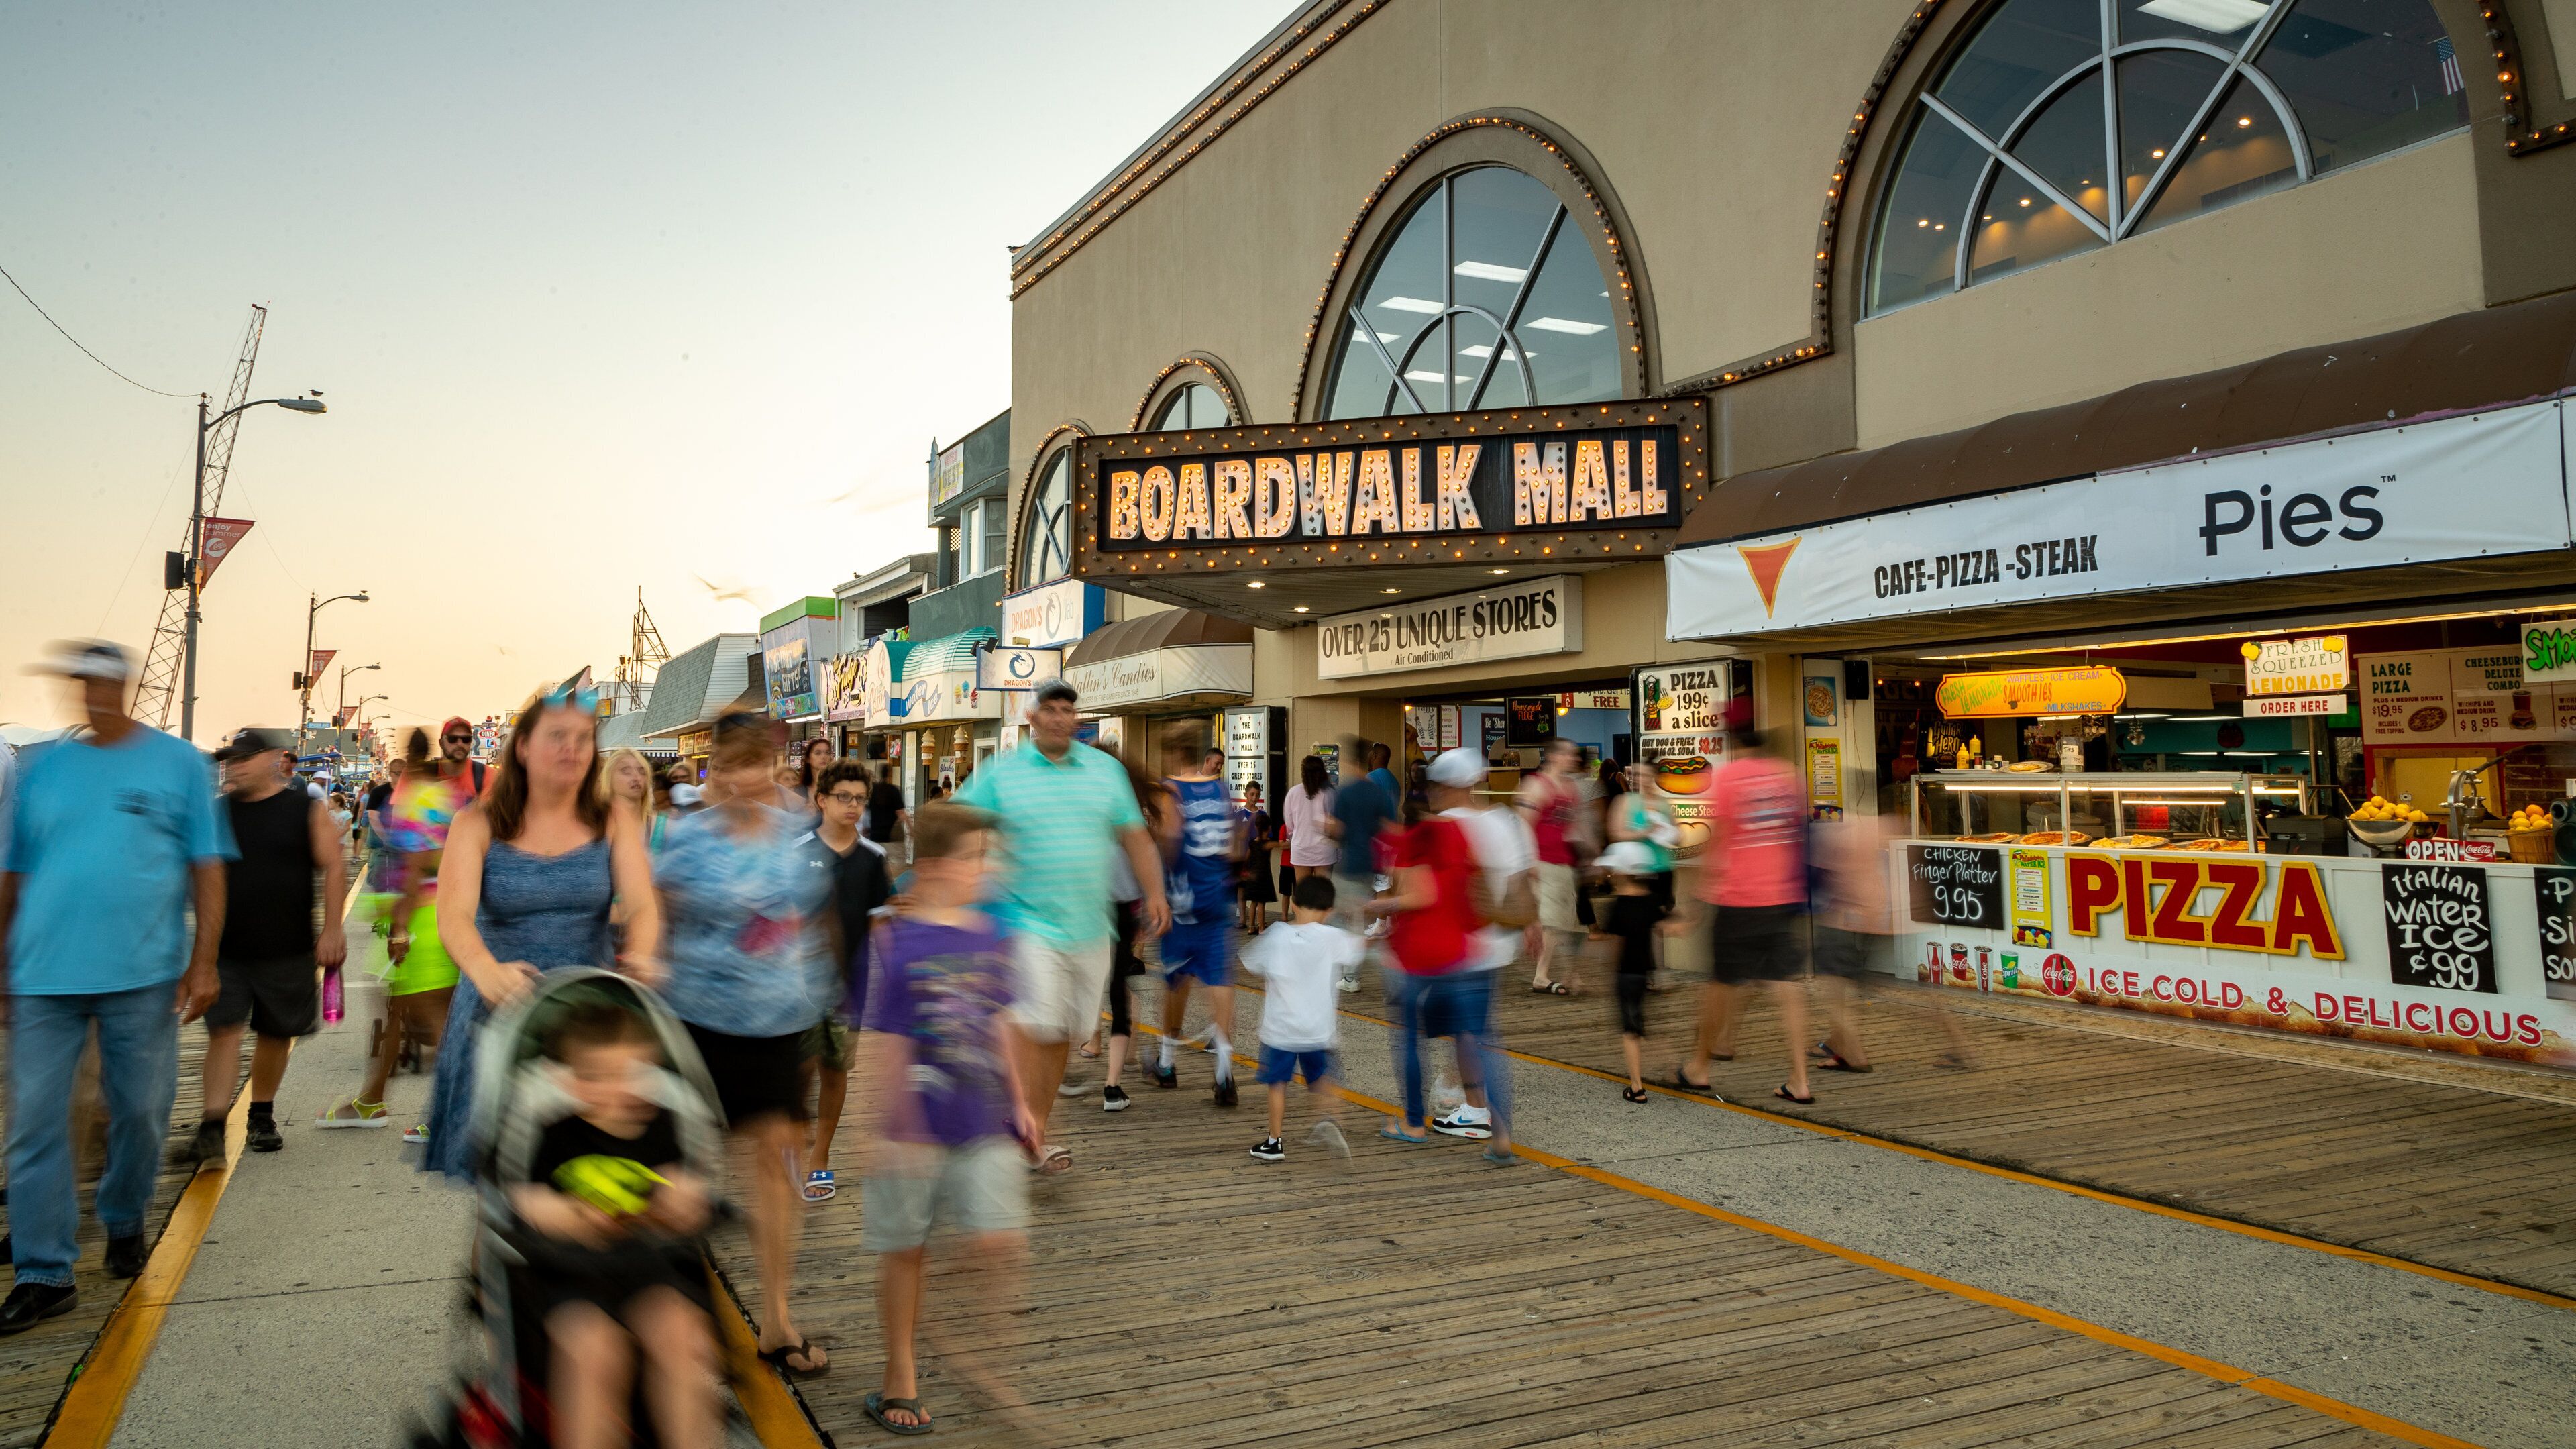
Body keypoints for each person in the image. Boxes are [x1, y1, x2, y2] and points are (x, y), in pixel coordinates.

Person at [0, 641, 233, 1328]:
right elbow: (13, 872)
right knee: (35, 1123)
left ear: (126, 686)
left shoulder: (179, 764)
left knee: (140, 1111)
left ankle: (125, 1214)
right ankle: (44, 1271)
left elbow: (208, 867)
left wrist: (205, 961)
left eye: (104, 683)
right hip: (42, 975)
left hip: (142, 974)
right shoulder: (42, 769)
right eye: (82, 683)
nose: (92, 694)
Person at [421, 688, 659, 1177]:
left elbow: (642, 905)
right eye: (557, 736)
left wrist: (642, 953)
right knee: (502, 1183)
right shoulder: (477, 822)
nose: (572, 748)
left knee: (589, 1172)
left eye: (583, 738)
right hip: (499, 1015)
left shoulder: (613, 819)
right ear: (524, 747)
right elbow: (453, 916)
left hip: (588, 1022)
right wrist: (485, 971)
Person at [855, 801, 1038, 1438]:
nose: (991, 868)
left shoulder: (991, 935)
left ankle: (969, 1341)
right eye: (978, 858)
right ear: (934, 866)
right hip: (914, 1128)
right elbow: (888, 1042)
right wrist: (893, 1127)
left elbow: (999, 1022)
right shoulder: (896, 940)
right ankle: (899, 1370)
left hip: (982, 1115)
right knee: (905, 1250)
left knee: (1001, 1240)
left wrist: (1020, 1101)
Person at [654, 710, 829, 1374]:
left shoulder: (795, 832)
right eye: (730, 766)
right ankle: (683, 1319)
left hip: (778, 1022)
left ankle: (776, 1319)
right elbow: (658, 919)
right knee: (689, 1173)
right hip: (696, 1022)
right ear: (716, 771)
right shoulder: (687, 836)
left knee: (776, 1169)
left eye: (757, 764)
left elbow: (813, 916)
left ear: (773, 767)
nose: (744, 778)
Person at [951, 680, 1166, 1173]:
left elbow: (1135, 837)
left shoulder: (1105, 771)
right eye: (1049, 709)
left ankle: (1035, 1134)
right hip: (1025, 920)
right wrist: (963, 882)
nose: (1059, 718)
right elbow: (956, 823)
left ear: (1076, 718)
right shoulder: (1002, 772)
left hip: (1090, 926)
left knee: (1060, 1033)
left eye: (1067, 710)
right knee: (1038, 1022)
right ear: (1031, 717)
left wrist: (1155, 893)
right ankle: (1015, 1118)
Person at [511, 999, 721, 1449]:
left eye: (633, 1074)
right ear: (566, 1079)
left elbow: (685, 1191)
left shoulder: (663, 1123)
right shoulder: (553, 1131)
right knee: (593, 1351)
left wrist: (682, 1202)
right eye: (597, 1077)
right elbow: (526, 1202)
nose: (618, 1090)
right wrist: (574, 1216)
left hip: (647, 1266)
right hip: (570, 1272)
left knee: (683, 1337)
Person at [199, 728, 348, 1159]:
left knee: (276, 1034)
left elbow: (334, 866)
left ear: (273, 759)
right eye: (231, 759)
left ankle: (260, 1115)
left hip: (288, 947)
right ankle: (211, 1126)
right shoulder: (217, 812)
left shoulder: (305, 809)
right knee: (223, 1031)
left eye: (244, 758)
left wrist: (333, 929)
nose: (234, 766)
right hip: (226, 948)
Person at [321, 728, 467, 1133]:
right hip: (439, 911)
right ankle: (372, 1099)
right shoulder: (447, 796)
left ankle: (451, 1115)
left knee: (433, 1020)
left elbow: (418, 864)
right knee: (395, 1013)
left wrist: (400, 927)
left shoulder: (417, 797)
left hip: (420, 917)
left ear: (410, 756)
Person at [1368, 774, 1514, 1163]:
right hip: (1465, 953)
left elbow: (1421, 895)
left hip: (1418, 957)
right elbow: (1475, 883)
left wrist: (1378, 906)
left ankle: (1414, 1124)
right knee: (1480, 1040)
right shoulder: (1460, 833)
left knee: (1409, 1040)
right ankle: (1501, 1137)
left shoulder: (1411, 841)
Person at [1677, 720, 1815, 1105]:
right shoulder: (1788, 777)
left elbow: (1719, 838)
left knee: (1721, 984)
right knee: (1787, 988)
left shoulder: (1729, 778)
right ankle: (1800, 1080)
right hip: (1782, 896)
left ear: (1734, 743)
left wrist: (1699, 895)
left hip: (1739, 897)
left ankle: (1699, 1067)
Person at [1428, 747, 1534, 1143]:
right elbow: (1522, 879)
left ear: (1450, 786)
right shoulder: (1503, 821)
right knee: (1474, 1028)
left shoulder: (1445, 827)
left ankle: (1478, 1112)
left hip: (1458, 945)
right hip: (1497, 943)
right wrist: (1532, 924)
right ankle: (1469, 1100)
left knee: (1472, 1033)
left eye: (1438, 785)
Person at [801, 760, 892, 1203]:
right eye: (844, 797)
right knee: (796, 1074)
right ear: (822, 800)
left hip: (848, 989)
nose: (853, 805)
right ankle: (789, 1144)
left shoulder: (874, 858)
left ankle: (819, 1156)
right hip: (794, 988)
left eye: (860, 799)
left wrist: (895, 982)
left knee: (834, 1073)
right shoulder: (794, 851)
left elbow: (881, 926)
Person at [1152, 724, 1243, 1107]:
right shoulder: (1220, 789)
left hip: (1183, 899)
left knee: (1176, 978)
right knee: (1219, 978)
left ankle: (1166, 1061)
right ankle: (1224, 1070)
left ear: (1173, 753)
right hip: (1217, 895)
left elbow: (1170, 841)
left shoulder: (1169, 790)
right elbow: (1235, 844)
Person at [1240, 875, 1357, 1163]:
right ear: (1329, 911)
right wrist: (1356, 915)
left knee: (1278, 1084)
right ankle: (1329, 1119)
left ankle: (1274, 1141)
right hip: (1318, 1030)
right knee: (1323, 1079)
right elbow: (1358, 948)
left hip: (1280, 1030)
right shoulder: (1333, 937)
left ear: (1293, 904)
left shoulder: (1277, 935)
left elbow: (1249, 962)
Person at [1601, 841, 1674, 1102]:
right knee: (1641, 1025)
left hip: (1625, 975)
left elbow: (1615, 945)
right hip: (1644, 974)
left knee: (1630, 1031)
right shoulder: (1651, 902)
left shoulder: (1618, 906)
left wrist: (1608, 970)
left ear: (1621, 873)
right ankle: (1670, 1065)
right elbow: (1666, 929)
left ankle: (1637, 1087)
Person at [1518, 739, 1589, 994]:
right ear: (1553, 756)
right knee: (1550, 922)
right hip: (1542, 862)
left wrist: (1589, 853)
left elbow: (1573, 825)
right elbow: (1523, 824)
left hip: (1563, 863)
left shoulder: (1570, 788)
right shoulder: (1536, 785)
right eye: (1568, 754)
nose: (1573, 759)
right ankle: (1541, 976)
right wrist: (1529, 860)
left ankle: (1564, 973)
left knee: (1563, 923)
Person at [1324, 740, 1392, 987]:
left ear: (1349, 761)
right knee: (1356, 919)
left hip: (1350, 864)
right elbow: (1389, 827)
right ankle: (1355, 971)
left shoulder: (1345, 792)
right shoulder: (1378, 793)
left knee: (1336, 917)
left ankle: (1356, 971)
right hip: (1371, 864)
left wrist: (1326, 828)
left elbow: (1336, 830)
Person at [1279, 754, 1336, 893]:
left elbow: (1289, 826)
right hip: (1324, 850)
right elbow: (1335, 824)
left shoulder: (1293, 792)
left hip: (1301, 849)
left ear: (1303, 773)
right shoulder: (1330, 793)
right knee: (1323, 895)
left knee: (1303, 895)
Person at [600, 747, 667, 853]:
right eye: (625, 771)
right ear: (609, 778)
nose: (636, 777)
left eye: (642, 771)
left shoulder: (664, 827)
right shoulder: (596, 828)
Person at [1236, 778, 1277, 934]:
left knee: (1257, 892)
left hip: (1259, 861)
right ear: (1246, 794)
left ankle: (1257, 922)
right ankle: (1243, 919)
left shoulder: (1263, 814)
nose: (1254, 798)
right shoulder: (1239, 814)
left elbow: (1268, 837)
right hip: (1244, 856)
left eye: (1257, 795)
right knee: (1242, 887)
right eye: (1252, 794)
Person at [865, 763, 910, 863]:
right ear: (890, 773)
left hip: (875, 837)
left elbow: (867, 812)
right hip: (893, 837)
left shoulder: (873, 791)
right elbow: (900, 813)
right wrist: (911, 828)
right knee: (896, 867)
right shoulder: (894, 790)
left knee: (878, 867)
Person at [792, 738, 835, 816]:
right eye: (818, 753)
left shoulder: (837, 787)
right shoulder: (799, 791)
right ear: (808, 759)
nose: (824, 757)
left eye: (827, 753)